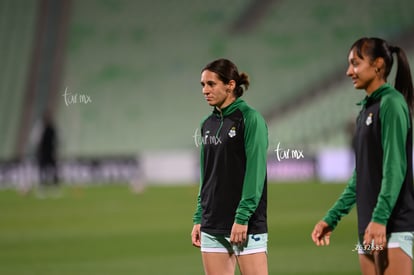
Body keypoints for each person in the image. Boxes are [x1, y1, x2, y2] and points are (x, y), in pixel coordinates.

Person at [311, 37, 414, 275]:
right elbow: (362, 175)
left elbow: (394, 167)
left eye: (355, 63)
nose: (349, 72)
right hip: (368, 226)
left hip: (392, 225)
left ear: (378, 64)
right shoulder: (366, 110)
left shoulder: (391, 104)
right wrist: (331, 218)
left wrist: (380, 219)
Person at [191, 58, 269, 275]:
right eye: (203, 85)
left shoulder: (250, 119)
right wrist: (199, 217)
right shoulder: (207, 124)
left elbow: (256, 173)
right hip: (212, 223)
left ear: (231, 85)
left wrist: (242, 218)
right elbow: (206, 176)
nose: (205, 90)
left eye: (211, 84)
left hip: (245, 224)